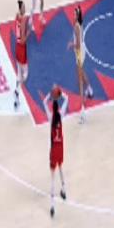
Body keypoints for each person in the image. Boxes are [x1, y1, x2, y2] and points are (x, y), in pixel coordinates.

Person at [42, 87, 69, 218]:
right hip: (60, 148)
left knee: (52, 177)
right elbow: (67, 99)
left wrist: (50, 94)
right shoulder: (61, 114)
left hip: (53, 150)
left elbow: (43, 102)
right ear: (58, 108)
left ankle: (52, 206)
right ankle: (64, 189)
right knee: (60, 168)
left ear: (52, 108)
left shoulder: (50, 117)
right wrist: (60, 93)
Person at [68, 6, 93, 124]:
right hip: (80, 51)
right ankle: (90, 89)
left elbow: (77, 44)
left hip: (79, 52)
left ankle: (83, 111)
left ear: (77, 16)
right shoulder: (78, 25)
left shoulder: (77, 27)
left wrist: (71, 45)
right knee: (81, 72)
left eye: (74, 14)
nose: (73, 16)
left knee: (79, 82)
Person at [14, 0, 30, 110]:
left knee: (19, 73)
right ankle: (17, 90)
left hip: (17, 46)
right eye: (23, 7)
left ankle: (16, 99)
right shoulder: (23, 20)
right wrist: (29, 32)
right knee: (26, 74)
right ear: (21, 8)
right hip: (22, 48)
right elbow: (24, 40)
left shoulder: (17, 16)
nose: (25, 8)